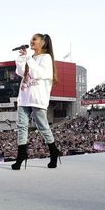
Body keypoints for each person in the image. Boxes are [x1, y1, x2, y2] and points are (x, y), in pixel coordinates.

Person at [11, 33, 61, 170]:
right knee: (21, 126)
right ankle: (21, 155)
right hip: (24, 96)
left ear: (43, 42)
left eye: (34, 39)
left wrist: (28, 58)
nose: (31, 41)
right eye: (31, 39)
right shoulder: (31, 57)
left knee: (43, 127)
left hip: (37, 98)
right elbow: (22, 73)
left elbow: (38, 74)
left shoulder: (46, 58)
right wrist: (21, 58)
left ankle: (53, 152)